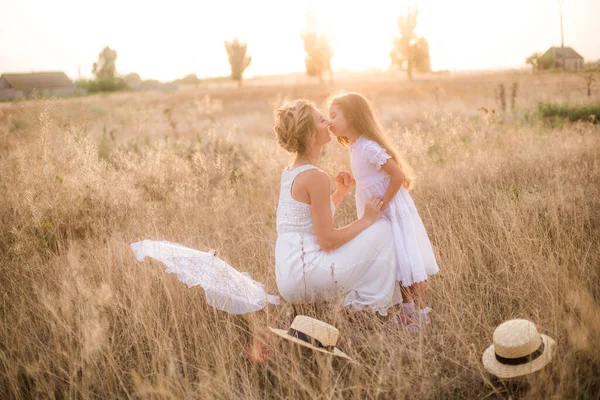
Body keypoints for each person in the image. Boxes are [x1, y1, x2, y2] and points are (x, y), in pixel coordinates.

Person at [273, 99, 402, 316]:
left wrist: (340, 193)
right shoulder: (316, 177)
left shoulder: (290, 171)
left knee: (370, 233)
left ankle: (356, 303)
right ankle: (368, 306)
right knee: (382, 229)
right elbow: (327, 241)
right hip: (308, 274)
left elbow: (306, 221)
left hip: (288, 278)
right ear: (309, 135)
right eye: (322, 120)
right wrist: (367, 219)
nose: (329, 123)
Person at [328, 92, 439, 328]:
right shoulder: (355, 147)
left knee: (407, 257)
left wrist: (383, 204)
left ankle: (421, 314)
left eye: (334, 115)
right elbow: (372, 178)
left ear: (352, 117)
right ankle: (408, 309)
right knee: (395, 258)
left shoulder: (368, 146)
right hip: (377, 212)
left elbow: (398, 175)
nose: (330, 122)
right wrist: (353, 181)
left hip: (391, 211)